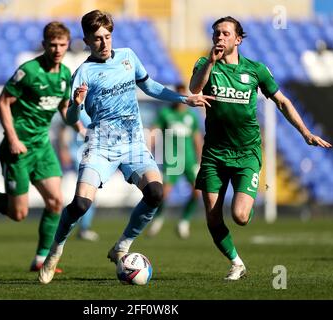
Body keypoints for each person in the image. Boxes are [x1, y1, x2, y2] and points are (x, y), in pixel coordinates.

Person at [38, 10, 214, 284]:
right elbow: (70, 118)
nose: (104, 43)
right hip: (100, 145)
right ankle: (55, 251)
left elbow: (151, 87)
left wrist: (184, 98)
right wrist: (76, 104)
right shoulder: (84, 72)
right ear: (86, 40)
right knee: (81, 203)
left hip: (133, 144)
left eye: (107, 36)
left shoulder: (128, 57)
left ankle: (122, 245)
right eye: (97, 39)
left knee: (156, 193)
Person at [189, 16, 332, 280]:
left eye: (225, 34)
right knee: (212, 216)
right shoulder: (204, 64)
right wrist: (210, 61)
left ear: (238, 39)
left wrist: (305, 132)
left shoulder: (256, 70)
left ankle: (248, 201)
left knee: (241, 216)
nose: (219, 38)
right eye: (216, 33)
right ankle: (236, 263)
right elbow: (194, 89)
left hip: (246, 153)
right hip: (214, 154)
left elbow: (282, 102)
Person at [0, 22, 85, 272]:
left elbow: (64, 109)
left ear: (67, 46)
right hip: (17, 149)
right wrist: (12, 137)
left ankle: (41, 259)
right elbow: (3, 102)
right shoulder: (28, 71)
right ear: (44, 45)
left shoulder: (65, 75)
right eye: (52, 44)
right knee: (18, 213)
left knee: (56, 201)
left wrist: (81, 128)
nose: (57, 49)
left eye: (62, 45)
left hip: (42, 147)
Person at [147, 83, 203, 239]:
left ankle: (184, 222)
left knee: (197, 192)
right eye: (178, 94)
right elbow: (154, 131)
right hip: (172, 160)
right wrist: (148, 147)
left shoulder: (191, 116)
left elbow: (197, 138)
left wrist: (200, 158)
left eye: (182, 94)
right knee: (164, 194)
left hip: (189, 160)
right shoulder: (166, 113)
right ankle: (158, 219)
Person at [58, 111, 100, 241]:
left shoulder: (98, 108)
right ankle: (82, 228)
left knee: (89, 193)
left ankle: (81, 227)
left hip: (93, 155)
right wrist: (63, 149)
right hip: (78, 155)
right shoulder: (80, 110)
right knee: (87, 193)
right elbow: (63, 127)